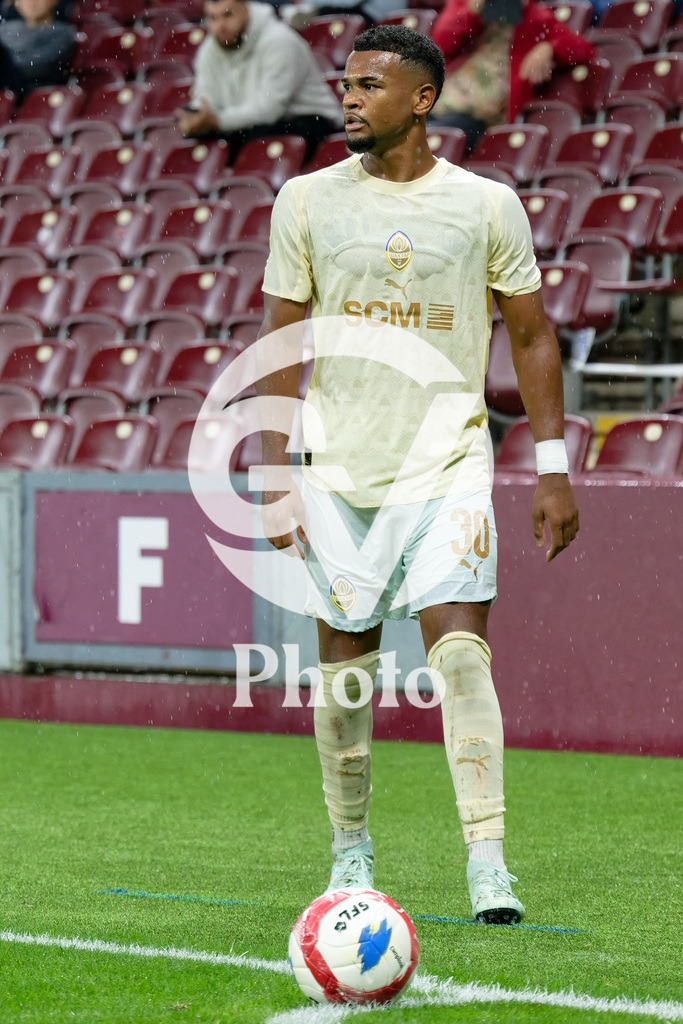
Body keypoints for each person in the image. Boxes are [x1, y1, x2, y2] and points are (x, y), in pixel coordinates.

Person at [255, 24, 579, 924]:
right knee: (345, 676)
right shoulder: (305, 200)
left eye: (368, 85)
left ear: (422, 99)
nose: (348, 98)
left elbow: (529, 334)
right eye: (345, 83)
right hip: (337, 469)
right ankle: (350, 855)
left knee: (462, 660)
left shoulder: (485, 205)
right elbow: (282, 337)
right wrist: (274, 463)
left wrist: (551, 470)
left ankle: (487, 863)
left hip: (448, 463)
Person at [174, 0, 343, 158]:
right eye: (213, 18)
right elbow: (207, 95)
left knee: (246, 139)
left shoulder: (280, 40)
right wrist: (196, 116)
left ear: (246, 11)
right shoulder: (210, 48)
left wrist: (217, 121)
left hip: (310, 122)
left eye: (228, 15)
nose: (221, 26)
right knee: (203, 140)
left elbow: (270, 109)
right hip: (255, 126)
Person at [429, 0, 595, 153]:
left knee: (428, 138)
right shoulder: (466, 6)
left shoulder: (534, 18)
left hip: (477, 120)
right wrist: (471, 12)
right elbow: (439, 46)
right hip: (437, 104)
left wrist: (549, 48)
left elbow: (583, 49)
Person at [0, 0, 76, 102]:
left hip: (33, 95)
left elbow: (37, 67)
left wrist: (5, 57)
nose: (32, 3)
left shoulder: (63, 33)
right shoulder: (5, 29)